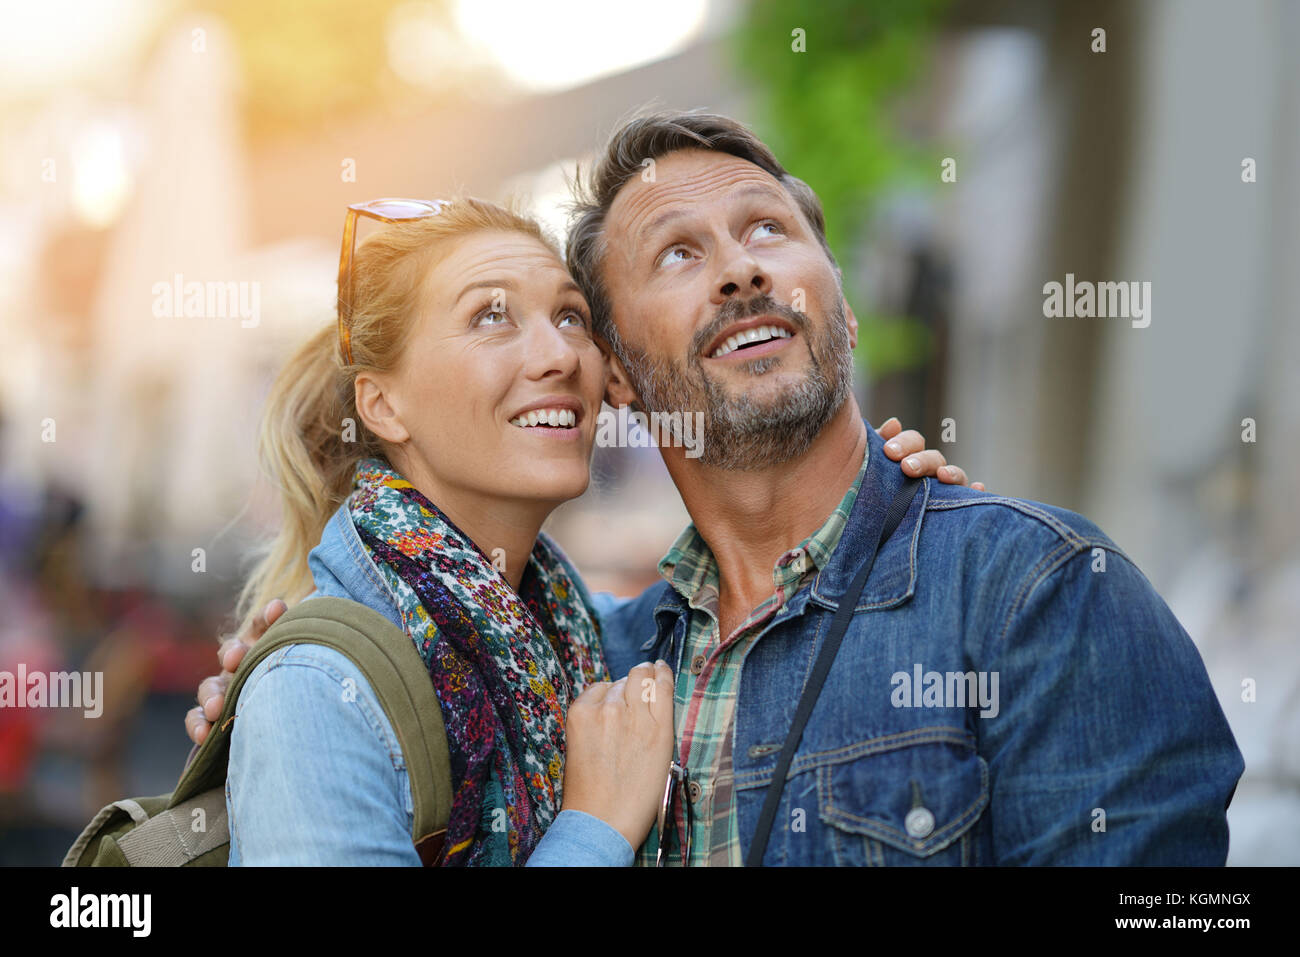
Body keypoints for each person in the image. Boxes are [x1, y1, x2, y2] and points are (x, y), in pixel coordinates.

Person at [208, 193, 974, 866]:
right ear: (382, 405)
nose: (557, 356)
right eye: (489, 316)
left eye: (570, 317)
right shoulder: (315, 692)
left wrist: (880, 498)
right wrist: (595, 825)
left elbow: (768, 601)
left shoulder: (588, 641)